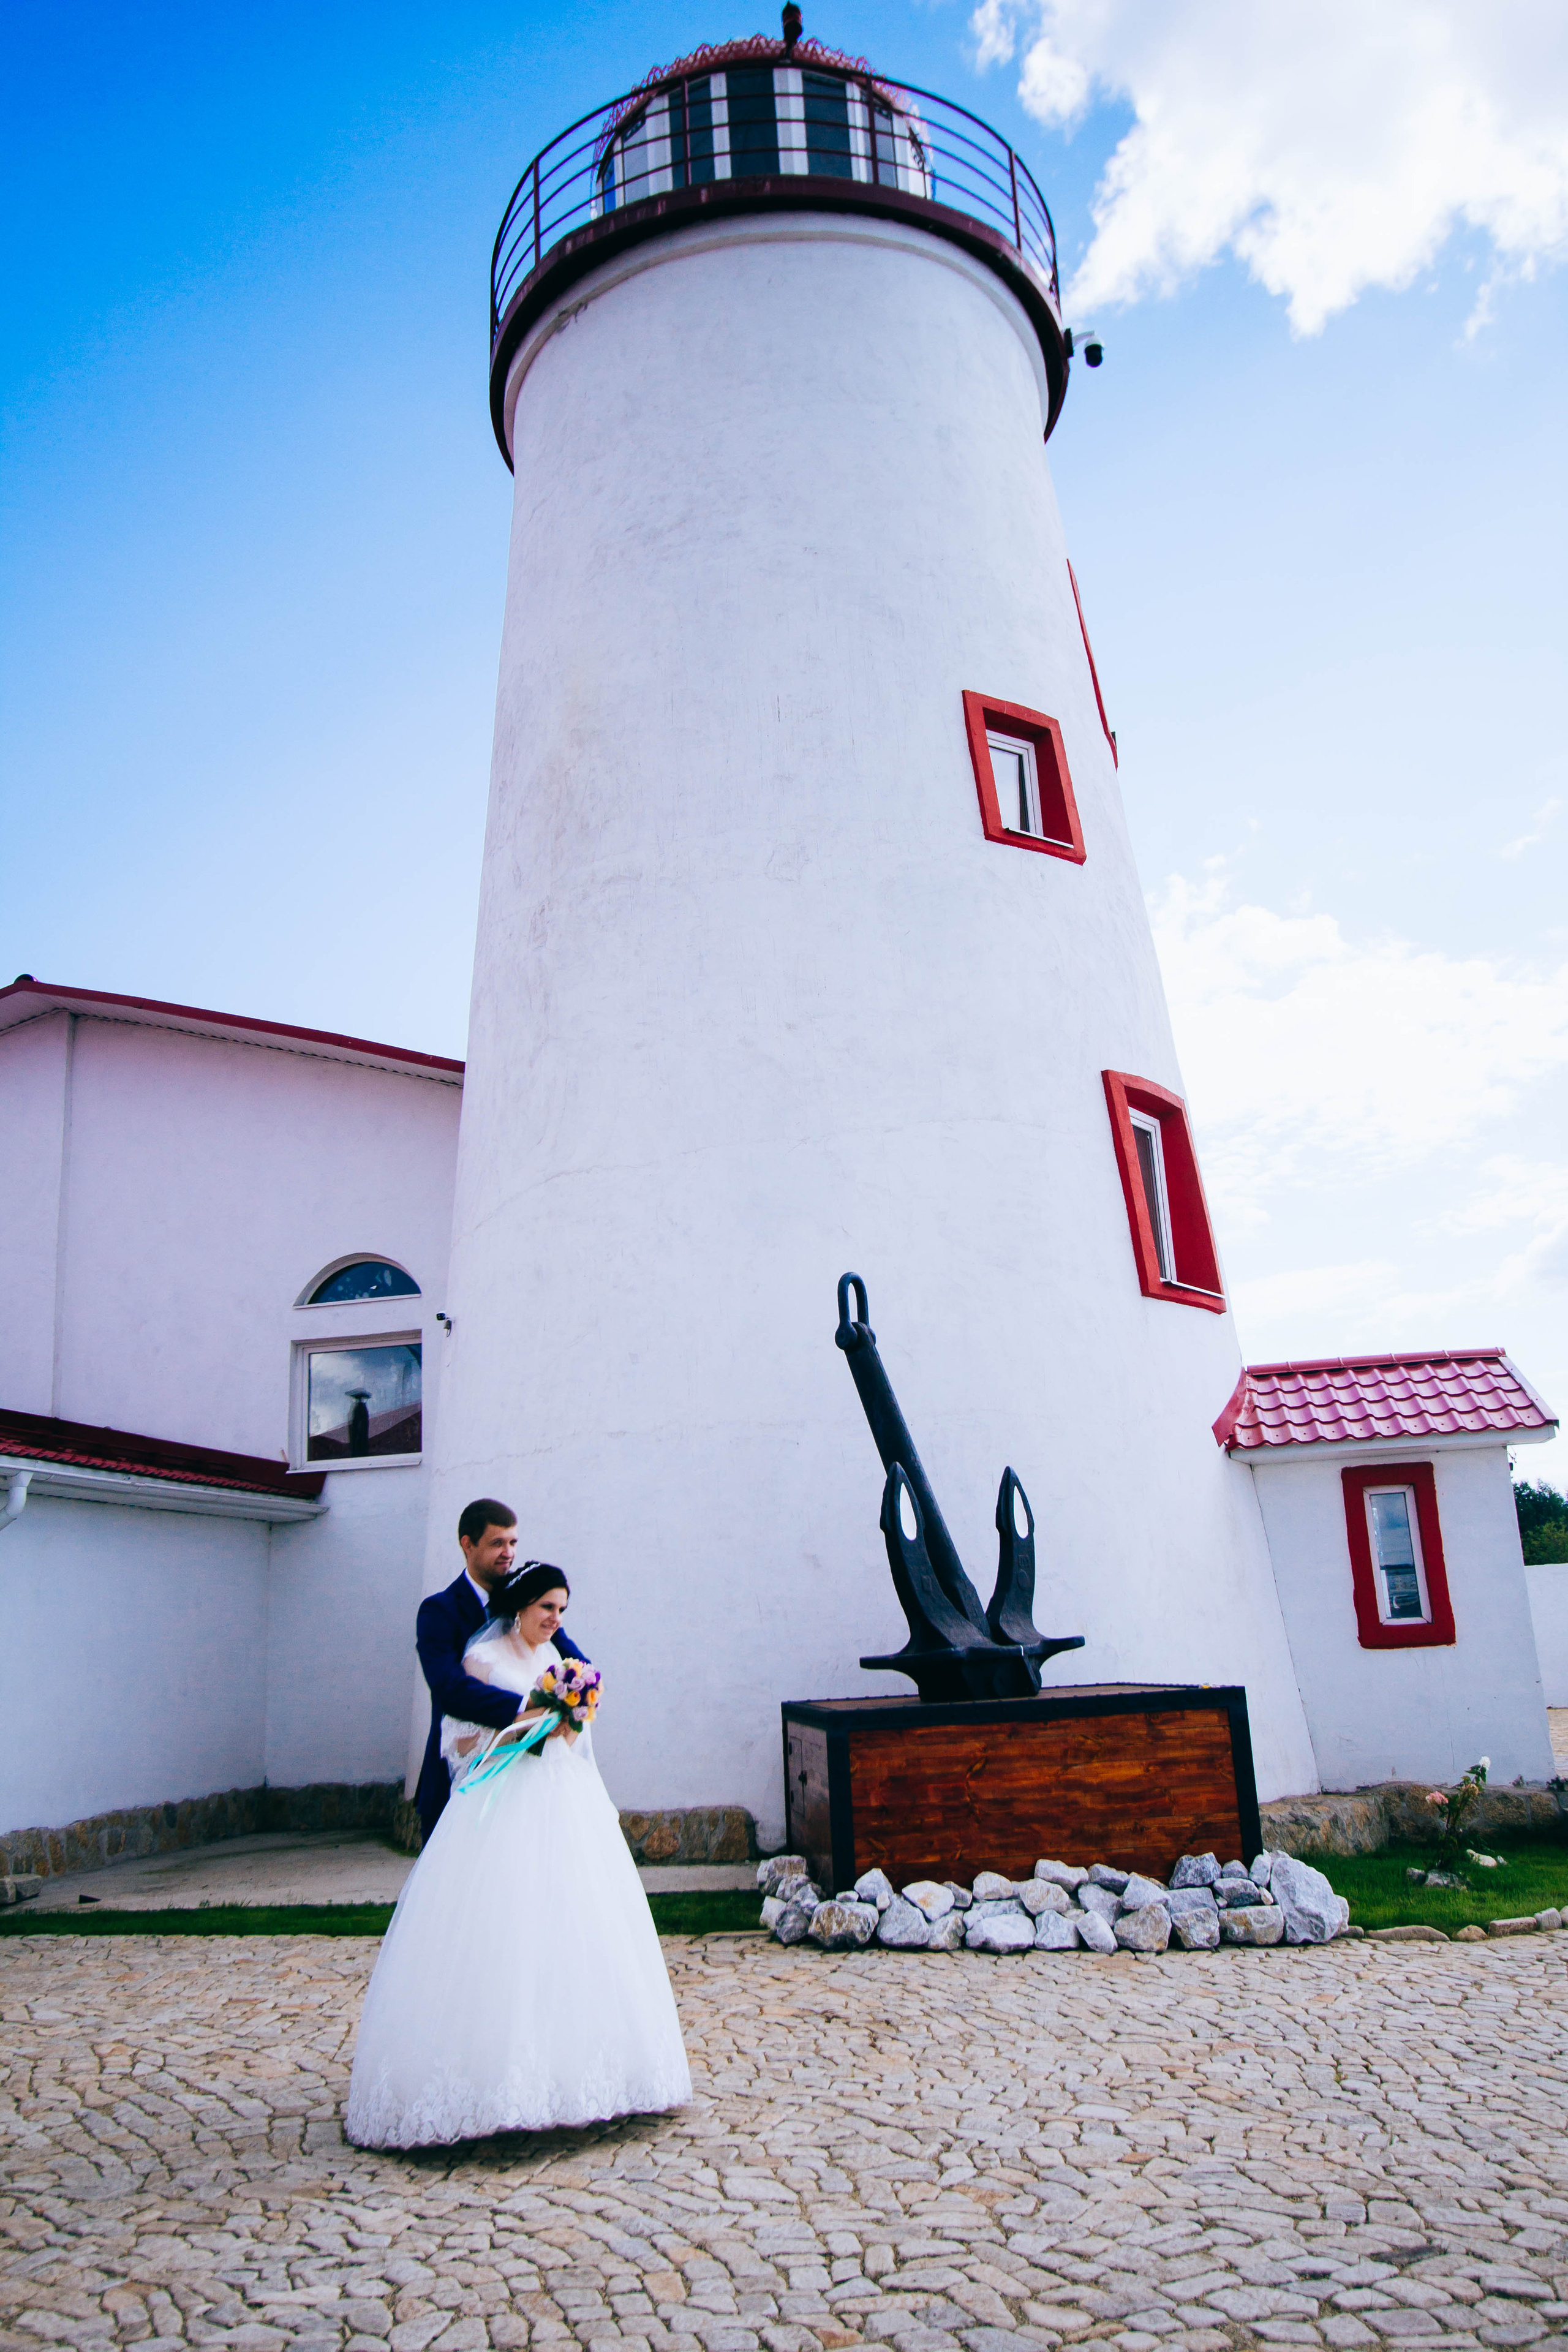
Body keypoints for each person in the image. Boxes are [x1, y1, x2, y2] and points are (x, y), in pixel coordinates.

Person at [345, 1559, 692, 2147]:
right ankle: (484, 2083)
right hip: (502, 1806)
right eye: (547, 1608)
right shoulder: (483, 1659)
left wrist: (567, 1723)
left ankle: (583, 2077)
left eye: (562, 1610)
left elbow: (575, 1738)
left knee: (578, 1927)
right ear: (520, 1608)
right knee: (500, 1930)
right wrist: (526, 1724)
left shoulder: (559, 1661)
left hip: (564, 1803)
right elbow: (459, 1742)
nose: (555, 1620)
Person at [412, 1498, 591, 1844]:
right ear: (468, 1544)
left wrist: (582, 1692)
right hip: (462, 1772)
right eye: (497, 1543)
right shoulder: (439, 1611)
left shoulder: (528, 1600)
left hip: (531, 1784)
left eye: (513, 1542)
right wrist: (527, 1707)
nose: (508, 1553)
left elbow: (576, 1665)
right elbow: (449, 1688)